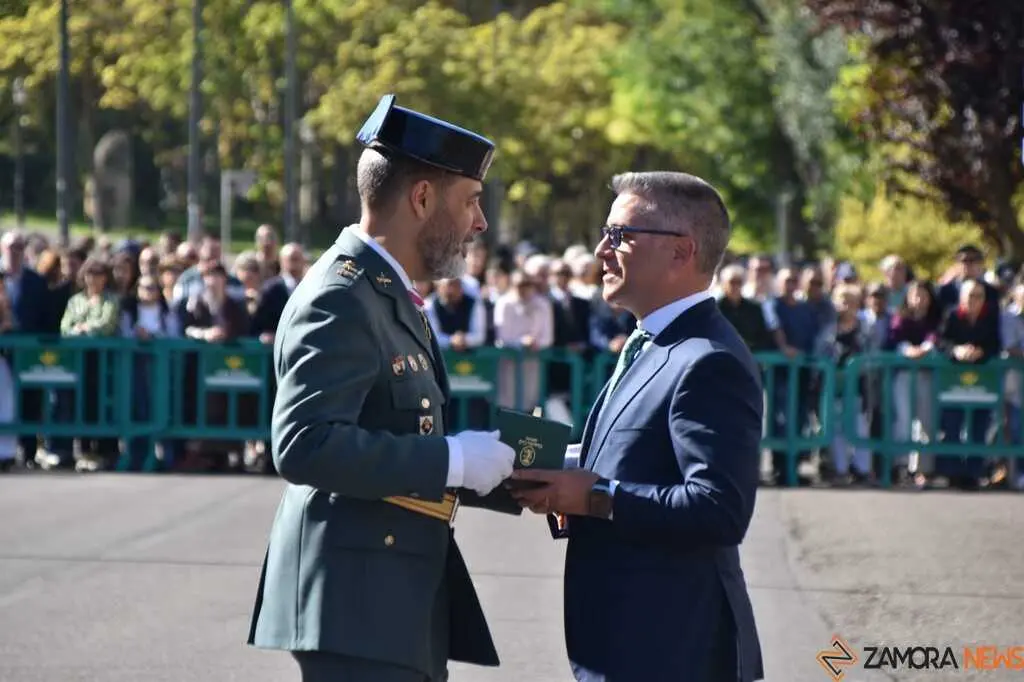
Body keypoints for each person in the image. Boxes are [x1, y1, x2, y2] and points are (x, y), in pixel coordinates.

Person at [247, 94, 518, 682]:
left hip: (389, 596)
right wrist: (452, 458)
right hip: (356, 602)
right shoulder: (342, 295)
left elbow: (401, 434)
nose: (481, 222)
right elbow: (305, 444)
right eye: (471, 201)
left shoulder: (382, 290)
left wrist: (520, 470)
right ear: (422, 198)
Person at [511, 171, 765, 682]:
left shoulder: (708, 360)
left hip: (672, 649)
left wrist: (597, 497)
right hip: (627, 641)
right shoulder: (653, 342)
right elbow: (625, 458)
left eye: (622, 235)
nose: (603, 249)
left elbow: (719, 508)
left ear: (681, 252)